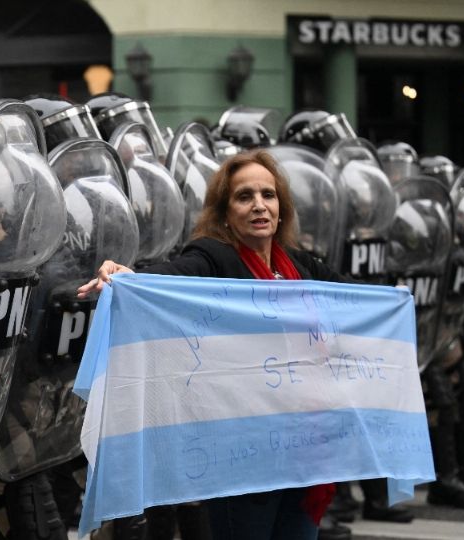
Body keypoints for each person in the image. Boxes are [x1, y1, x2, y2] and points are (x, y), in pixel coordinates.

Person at [78, 149, 353, 540]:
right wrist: (128, 278)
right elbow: (173, 279)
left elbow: (355, 301)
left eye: (268, 195)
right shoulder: (213, 257)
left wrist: (396, 301)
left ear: (281, 207)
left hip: (305, 452)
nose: (259, 205)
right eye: (244, 196)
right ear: (225, 213)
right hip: (242, 456)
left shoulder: (299, 265)